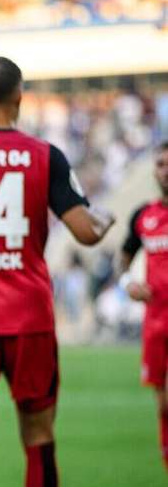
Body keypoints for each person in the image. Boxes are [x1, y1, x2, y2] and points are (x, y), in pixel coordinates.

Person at [0, 57, 115, 487]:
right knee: (38, 436)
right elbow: (86, 233)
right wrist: (102, 218)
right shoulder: (45, 155)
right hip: (27, 314)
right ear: (20, 95)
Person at [119, 141, 168, 473]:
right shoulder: (143, 216)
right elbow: (123, 261)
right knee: (163, 406)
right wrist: (129, 285)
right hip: (155, 323)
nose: (165, 171)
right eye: (161, 164)